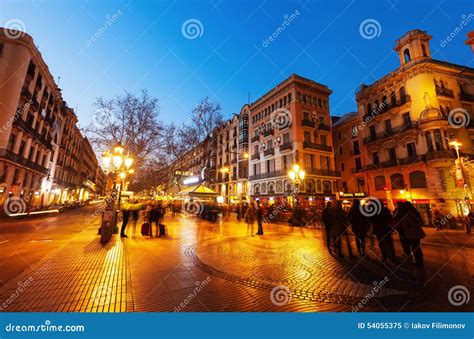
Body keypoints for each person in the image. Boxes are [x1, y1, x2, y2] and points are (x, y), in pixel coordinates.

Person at [394, 201, 425, 270]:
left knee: (407, 249)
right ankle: (419, 262)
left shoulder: (403, 214)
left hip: (406, 234)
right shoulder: (415, 212)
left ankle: (410, 262)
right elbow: (421, 222)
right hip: (415, 234)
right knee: (416, 248)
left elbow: (399, 225)